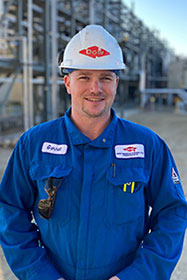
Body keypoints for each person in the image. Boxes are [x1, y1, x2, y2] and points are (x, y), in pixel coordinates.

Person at [0, 25, 187, 280]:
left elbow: (173, 213)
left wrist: (138, 275)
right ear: (68, 83)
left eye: (105, 78)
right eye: (84, 77)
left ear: (116, 83)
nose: (95, 88)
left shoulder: (147, 146)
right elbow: (10, 210)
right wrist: (39, 274)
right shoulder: (33, 143)